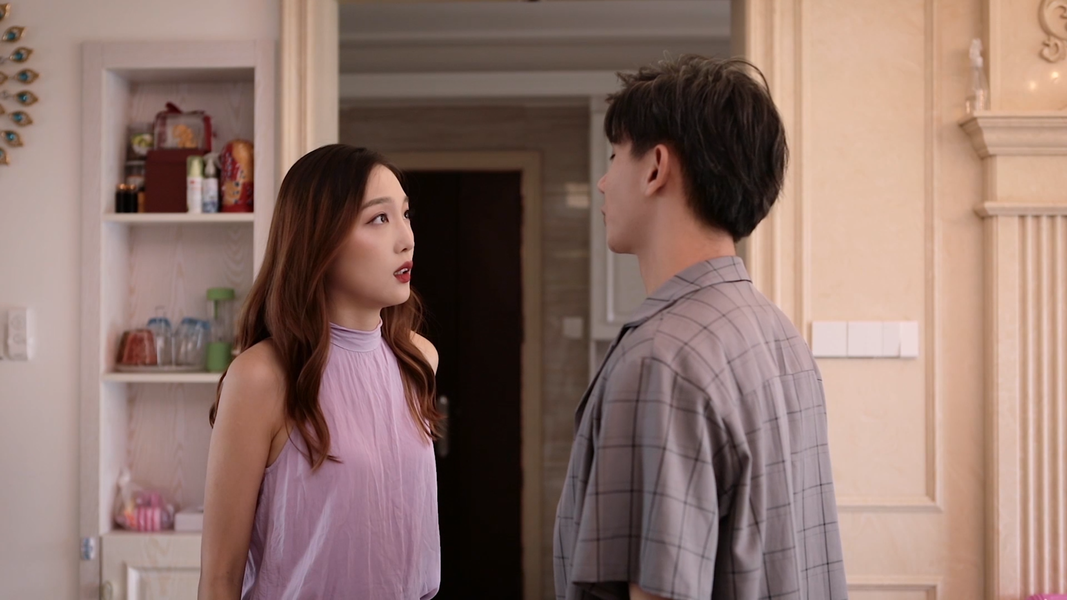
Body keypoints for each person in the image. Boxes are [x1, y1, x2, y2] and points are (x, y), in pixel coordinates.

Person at [554, 56, 848, 600]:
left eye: (615, 156)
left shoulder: (662, 360)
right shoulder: (778, 334)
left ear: (655, 168)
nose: (602, 181)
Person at [198, 145, 442, 600]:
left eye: (406, 214)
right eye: (379, 218)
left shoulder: (419, 360)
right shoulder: (260, 377)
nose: (407, 238)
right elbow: (220, 579)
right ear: (319, 240)